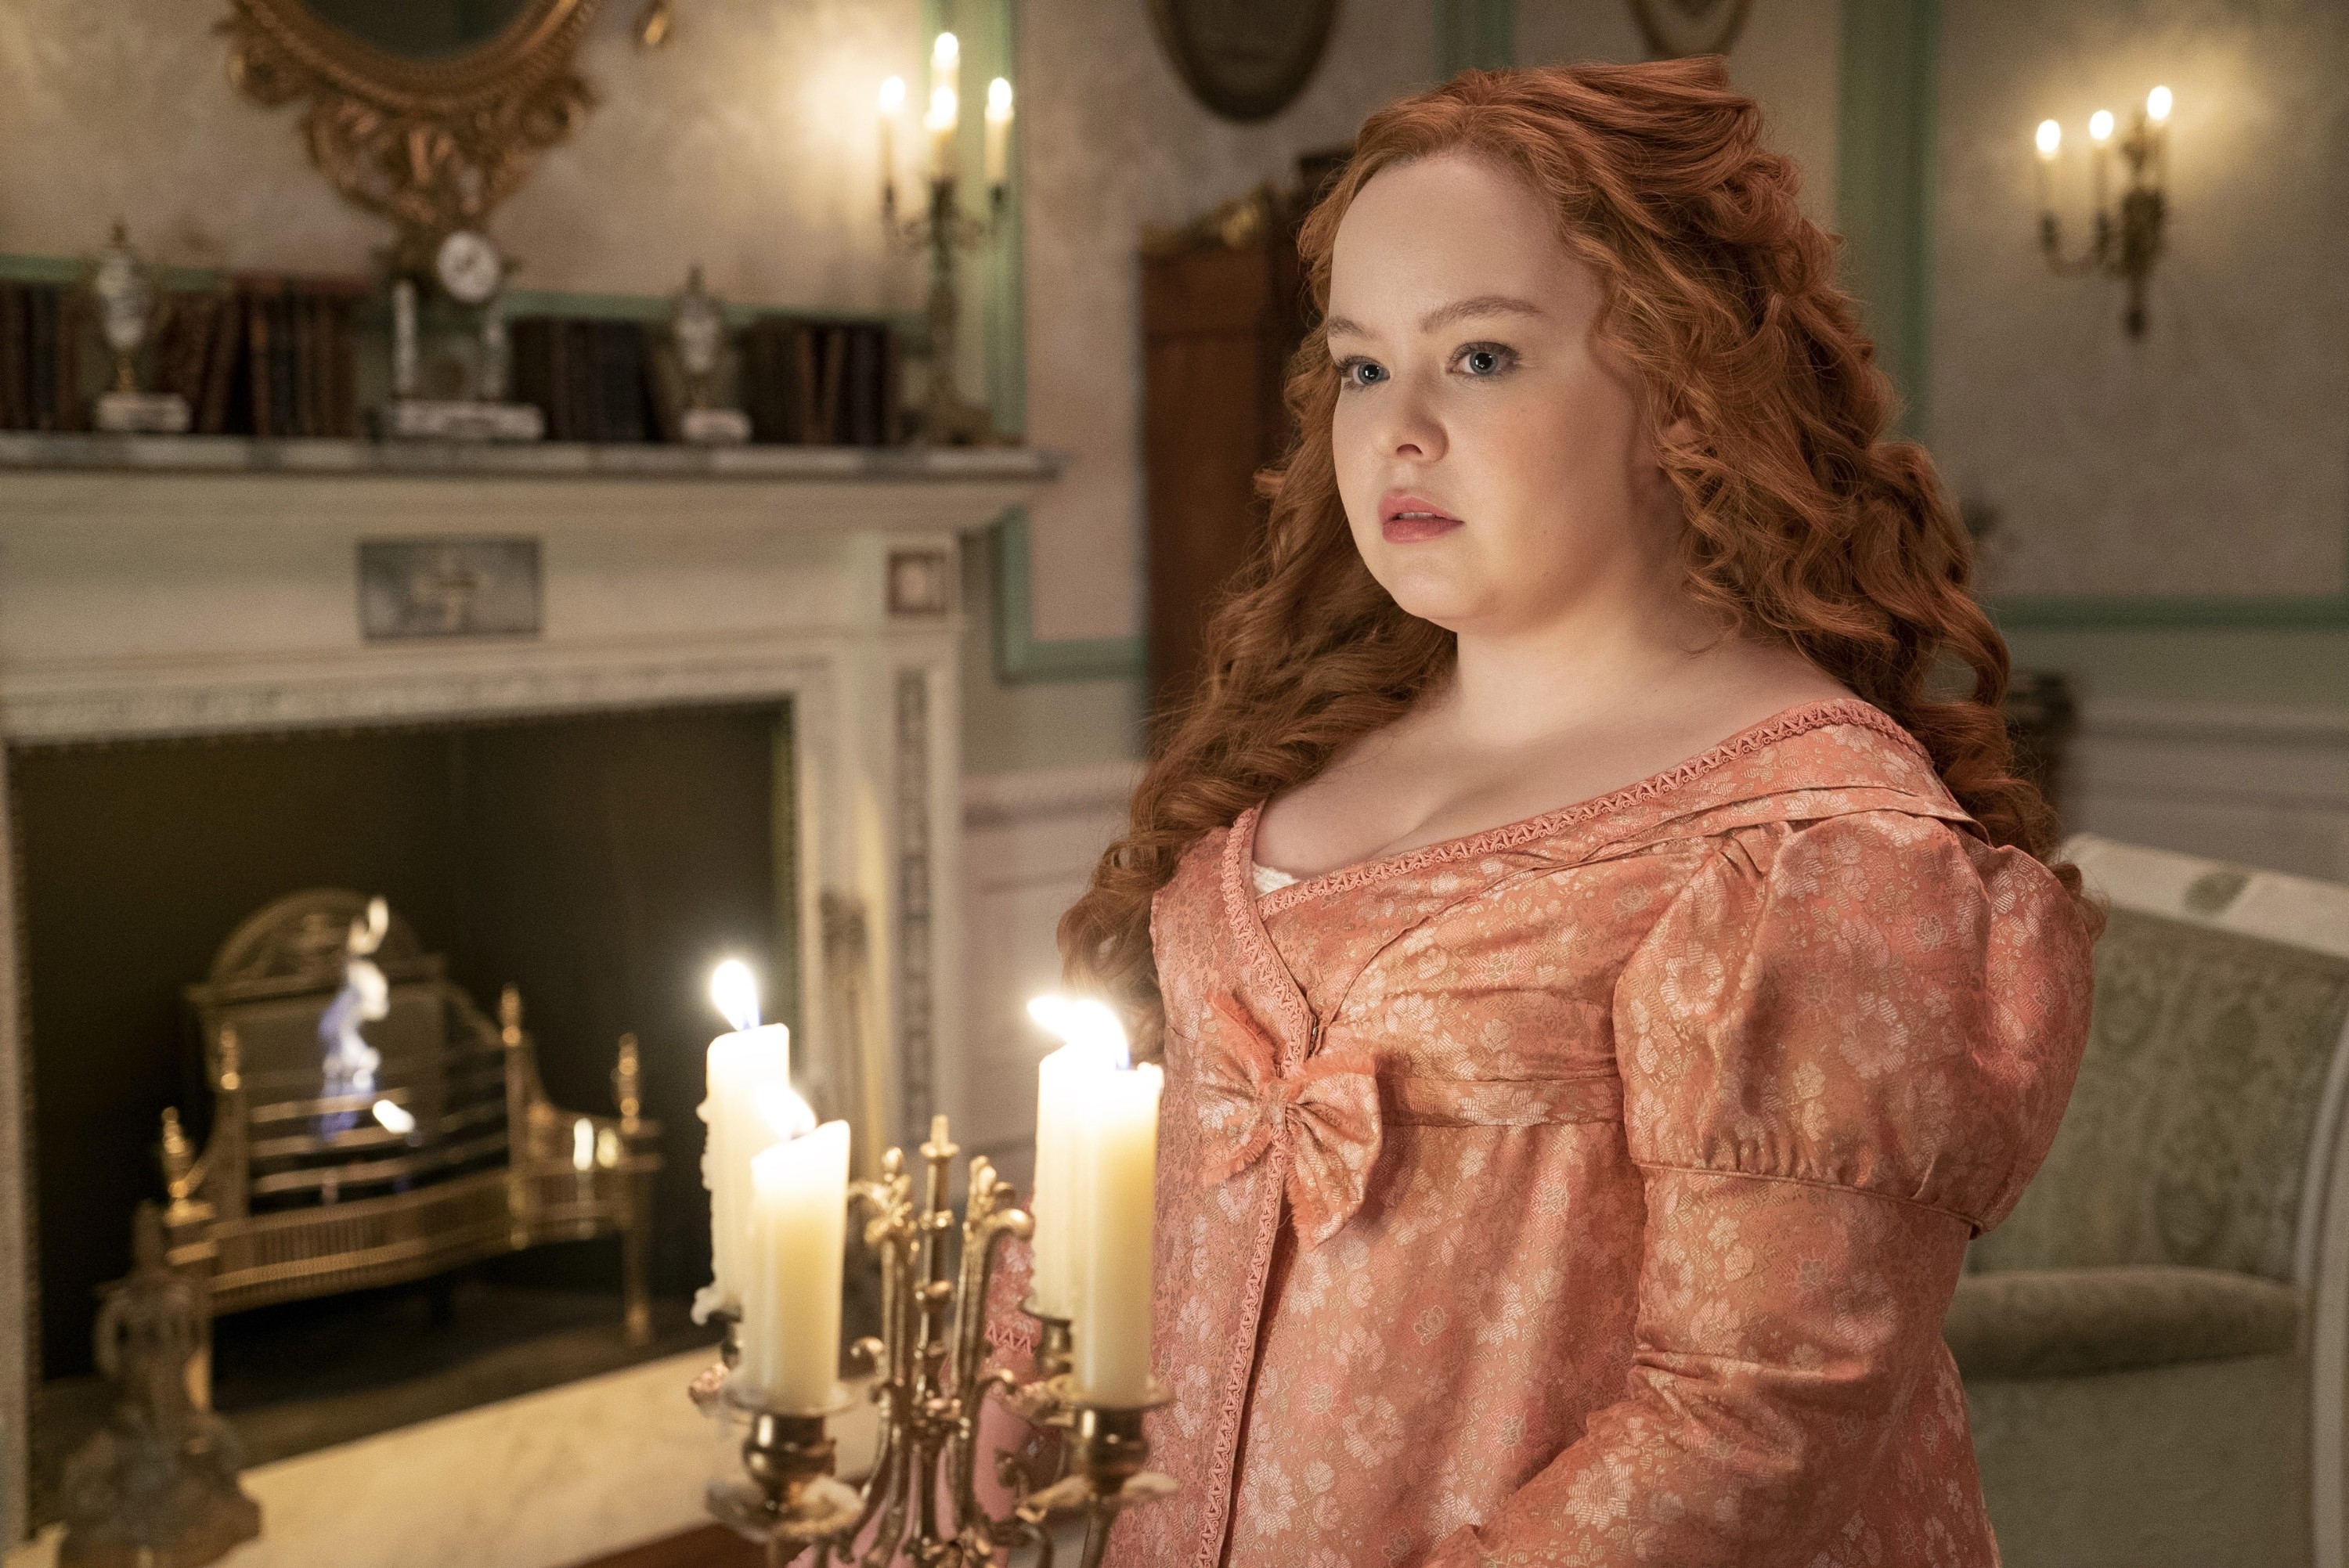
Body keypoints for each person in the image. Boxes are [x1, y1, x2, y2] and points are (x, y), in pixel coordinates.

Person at [1039, 57, 2099, 1567]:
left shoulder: (1818, 851)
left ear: (1682, 386)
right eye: (1358, 366)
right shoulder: (1315, 747)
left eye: (1479, 358)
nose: (1396, 429)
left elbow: (1749, 1431)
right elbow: (1137, 1198)